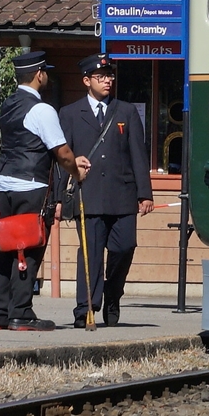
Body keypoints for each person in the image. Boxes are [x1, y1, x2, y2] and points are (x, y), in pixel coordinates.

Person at [0, 51, 90, 332]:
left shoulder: (8, 104)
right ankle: (20, 312)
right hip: (31, 185)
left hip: (5, 183)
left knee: (6, 248)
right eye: (45, 72)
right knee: (28, 249)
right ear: (39, 74)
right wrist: (76, 171)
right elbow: (62, 152)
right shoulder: (42, 110)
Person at [55, 54, 152, 328]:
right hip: (89, 194)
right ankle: (86, 308)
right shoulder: (70, 113)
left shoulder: (126, 111)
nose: (108, 80)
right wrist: (58, 198)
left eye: (110, 75)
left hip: (122, 194)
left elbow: (138, 154)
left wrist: (145, 193)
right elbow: (62, 159)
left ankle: (113, 293)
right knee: (91, 253)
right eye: (101, 76)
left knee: (124, 247)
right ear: (87, 81)